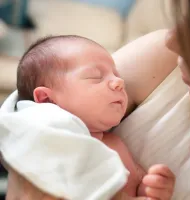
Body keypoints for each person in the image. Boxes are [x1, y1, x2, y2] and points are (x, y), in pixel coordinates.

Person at [2, 0, 190, 198]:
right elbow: (29, 108)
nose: (171, 39)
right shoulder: (162, 60)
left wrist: (150, 190)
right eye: (97, 76)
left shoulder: (115, 147)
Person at [1, 35, 174, 200]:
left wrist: (151, 187)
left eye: (117, 75)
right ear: (47, 100)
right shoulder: (51, 145)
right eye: (96, 77)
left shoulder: (116, 143)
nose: (119, 82)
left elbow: (135, 184)